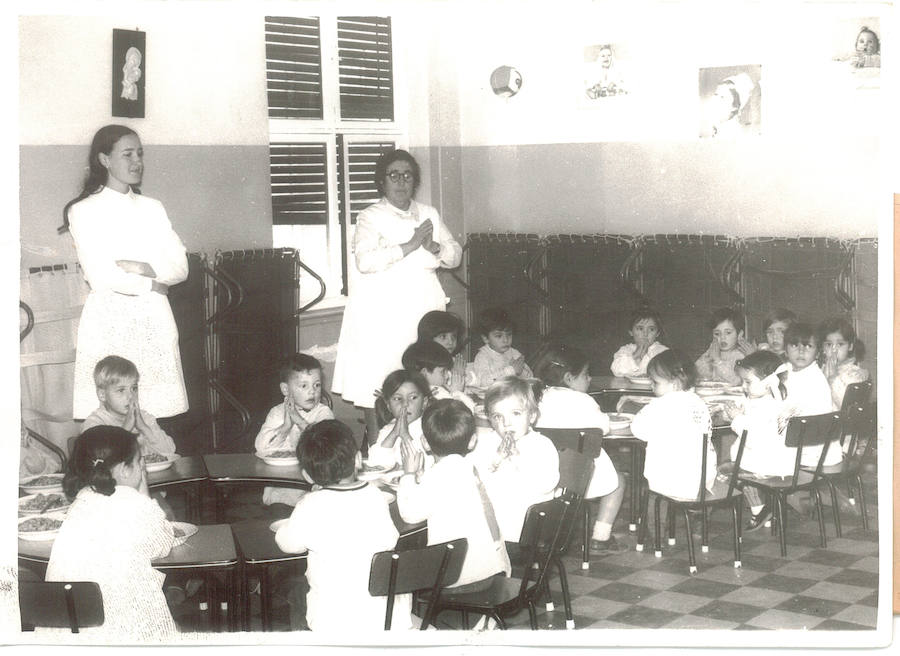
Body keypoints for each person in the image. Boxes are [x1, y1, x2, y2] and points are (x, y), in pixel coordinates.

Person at [332, 149, 462, 446]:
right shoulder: (370, 216)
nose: (402, 181)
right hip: (384, 312)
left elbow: (454, 257)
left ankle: (424, 445)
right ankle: (380, 449)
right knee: (382, 377)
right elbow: (365, 262)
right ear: (382, 181)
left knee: (423, 377)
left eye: (408, 175)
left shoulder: (429, 213)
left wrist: (433, 247)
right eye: (394, 175)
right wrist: (411, 243)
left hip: (423, 307)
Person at [61, 125, 189, 421]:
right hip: (111, 319)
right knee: (114, 415)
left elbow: (181, 268)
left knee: (155, 415)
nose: (137, 161)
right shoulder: (83, 211)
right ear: (104, 159)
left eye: (140, 154)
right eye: (127, 154)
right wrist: (155, 283)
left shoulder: (152, 207)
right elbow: (101, 276)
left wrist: (142, 268)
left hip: (154, 318)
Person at [275, 420, 413, 631]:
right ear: (358, 460)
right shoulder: (375, 496)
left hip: (335, 622)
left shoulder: (310, 504)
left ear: (307, 476)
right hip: (387, 619)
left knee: (296, 595)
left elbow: (288, 544)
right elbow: (390, 539)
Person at [45, 425, 177, 640]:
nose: (142, 467)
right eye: (139, 462)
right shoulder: (131, 501)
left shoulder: (81, 499)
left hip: (72, 626)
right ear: (126, 470)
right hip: (119, 625)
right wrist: (144, 492)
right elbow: (162, 544)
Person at [396, 399, 512, 592]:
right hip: (495, 571)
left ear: (424, 442)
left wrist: (408, 475)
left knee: (406, 576)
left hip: (460, 579)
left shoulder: (436, 477)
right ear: (473, 440)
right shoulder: (473, 468)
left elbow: (409, 514)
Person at [532, 343, 627, 555]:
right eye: (585, 374)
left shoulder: (535, 397)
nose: (589, 379)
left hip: (542, 476)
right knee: (618, 482)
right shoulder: (584, 400)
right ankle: (600, 537)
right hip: (579, 478)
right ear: (568, 378)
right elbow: (603, 427)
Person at [470, 377, 559, 543]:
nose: (506, 423)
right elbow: (474, 475)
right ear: (489, 419)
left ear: (532, 416)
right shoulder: (486, 442)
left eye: (516, 413)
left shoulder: (541, 446)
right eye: (498, 416)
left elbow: (546, 484)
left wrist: (517, 458)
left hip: (524, 529)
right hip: (489, 524)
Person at [630, 350, 716, 500]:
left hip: (671, 484)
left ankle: (655, 523)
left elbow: (638, 430)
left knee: (651, 493)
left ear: (675, 384)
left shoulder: (660, 404)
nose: (651, 386)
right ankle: (695, 516)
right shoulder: (699, 402)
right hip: (702, 482)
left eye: (655, 382)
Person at [255, 353, 335, 507]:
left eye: (317, 385)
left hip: (314, 486)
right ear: (285, 389)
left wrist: (298, 420)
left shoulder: (323, 412)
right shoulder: (278, 412)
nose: (312, 391)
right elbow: (260, 447)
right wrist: (285, 427)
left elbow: (327, 445)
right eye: (304, 386)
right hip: (281, 486)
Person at [727, 351, 794, 531]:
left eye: (748, 382)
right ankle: (770, 504)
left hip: (768, 465)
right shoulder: (773, 399)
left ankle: (760, 509)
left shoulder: (765, 407)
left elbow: (751, 439)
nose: (744, 386)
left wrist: (736, 419)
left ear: (767, 384)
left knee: (726, 472)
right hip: (782, 462)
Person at [81, 355, 176, 459]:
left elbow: (170, 451)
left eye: (134, 388)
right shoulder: (96, 423)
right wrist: (124, 431)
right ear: (102, 395)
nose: (131, 396)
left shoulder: (143, 418)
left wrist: (144, 428)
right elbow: (101, 460)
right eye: (121, 390)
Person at [780, 323, 838, 470]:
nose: (801, 351)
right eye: (794, 345)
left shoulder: (814, 378)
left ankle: (754, 486)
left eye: (808, 346)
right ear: (785, 350)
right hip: (806, 442)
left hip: (810, 449)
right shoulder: (786, 370)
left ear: (818, 353)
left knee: (751, 443)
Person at [367, 370, 432, 471]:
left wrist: (405, 435)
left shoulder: (431, 428)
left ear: (424, 402)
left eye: (413, 397)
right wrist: (394, 434)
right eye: (398, 399)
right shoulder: (389, 429)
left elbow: (425, 465)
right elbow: (375, 464)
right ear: (388, 405)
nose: (405, 404)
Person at [470, 307, 533, 391]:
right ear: (485, 338)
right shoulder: (483, 356)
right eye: (499, 336)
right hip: (492, 397)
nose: (505, 340)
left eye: (509, 334)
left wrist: (521, 372)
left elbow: (530, 377)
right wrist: (511, 370)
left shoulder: (514, 353)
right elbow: (482, 382)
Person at [401, 340, 475, 412]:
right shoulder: (437, 391)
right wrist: (458, 392)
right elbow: (469, 411)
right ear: (424, 374)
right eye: (443, 372)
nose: (447, 376)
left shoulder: (418, 390)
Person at [818, 317, 870, 411]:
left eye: (840, 344)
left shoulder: (856, 374)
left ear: (850, 346)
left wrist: (833, 379)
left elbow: (847, 406)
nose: (834, 350)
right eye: (828, 344)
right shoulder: (819, 368)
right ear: (822, 347)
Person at [695, 307, 756, 385]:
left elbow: (737, 381)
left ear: (739, 335)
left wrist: (717, 361)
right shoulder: (712, 351)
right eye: (717, 334)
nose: (722, 337)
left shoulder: (740, 355)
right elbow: (696, 372)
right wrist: (707, 360)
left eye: (728, 333)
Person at [417, 310, 468, 395]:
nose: (450, 342)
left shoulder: (453, 360)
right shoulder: (427, 367)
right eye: (443, 337)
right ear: (428, 338)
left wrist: (461, 375)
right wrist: (457, 375)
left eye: (454, 336)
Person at [610, 307, 669, 377]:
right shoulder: (625, 350)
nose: (645, 334)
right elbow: (616, 371)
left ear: (657, 333)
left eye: (651, 329)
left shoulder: (663, 351)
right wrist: (635, 355)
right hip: (629, 387)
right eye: (640, 329)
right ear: (631, 332)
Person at [705, 72, 756, 138]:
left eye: (722, 97)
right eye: (716, 94)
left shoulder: (732, 135)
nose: (715, 100)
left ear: (735, 107)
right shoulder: (716, 128)